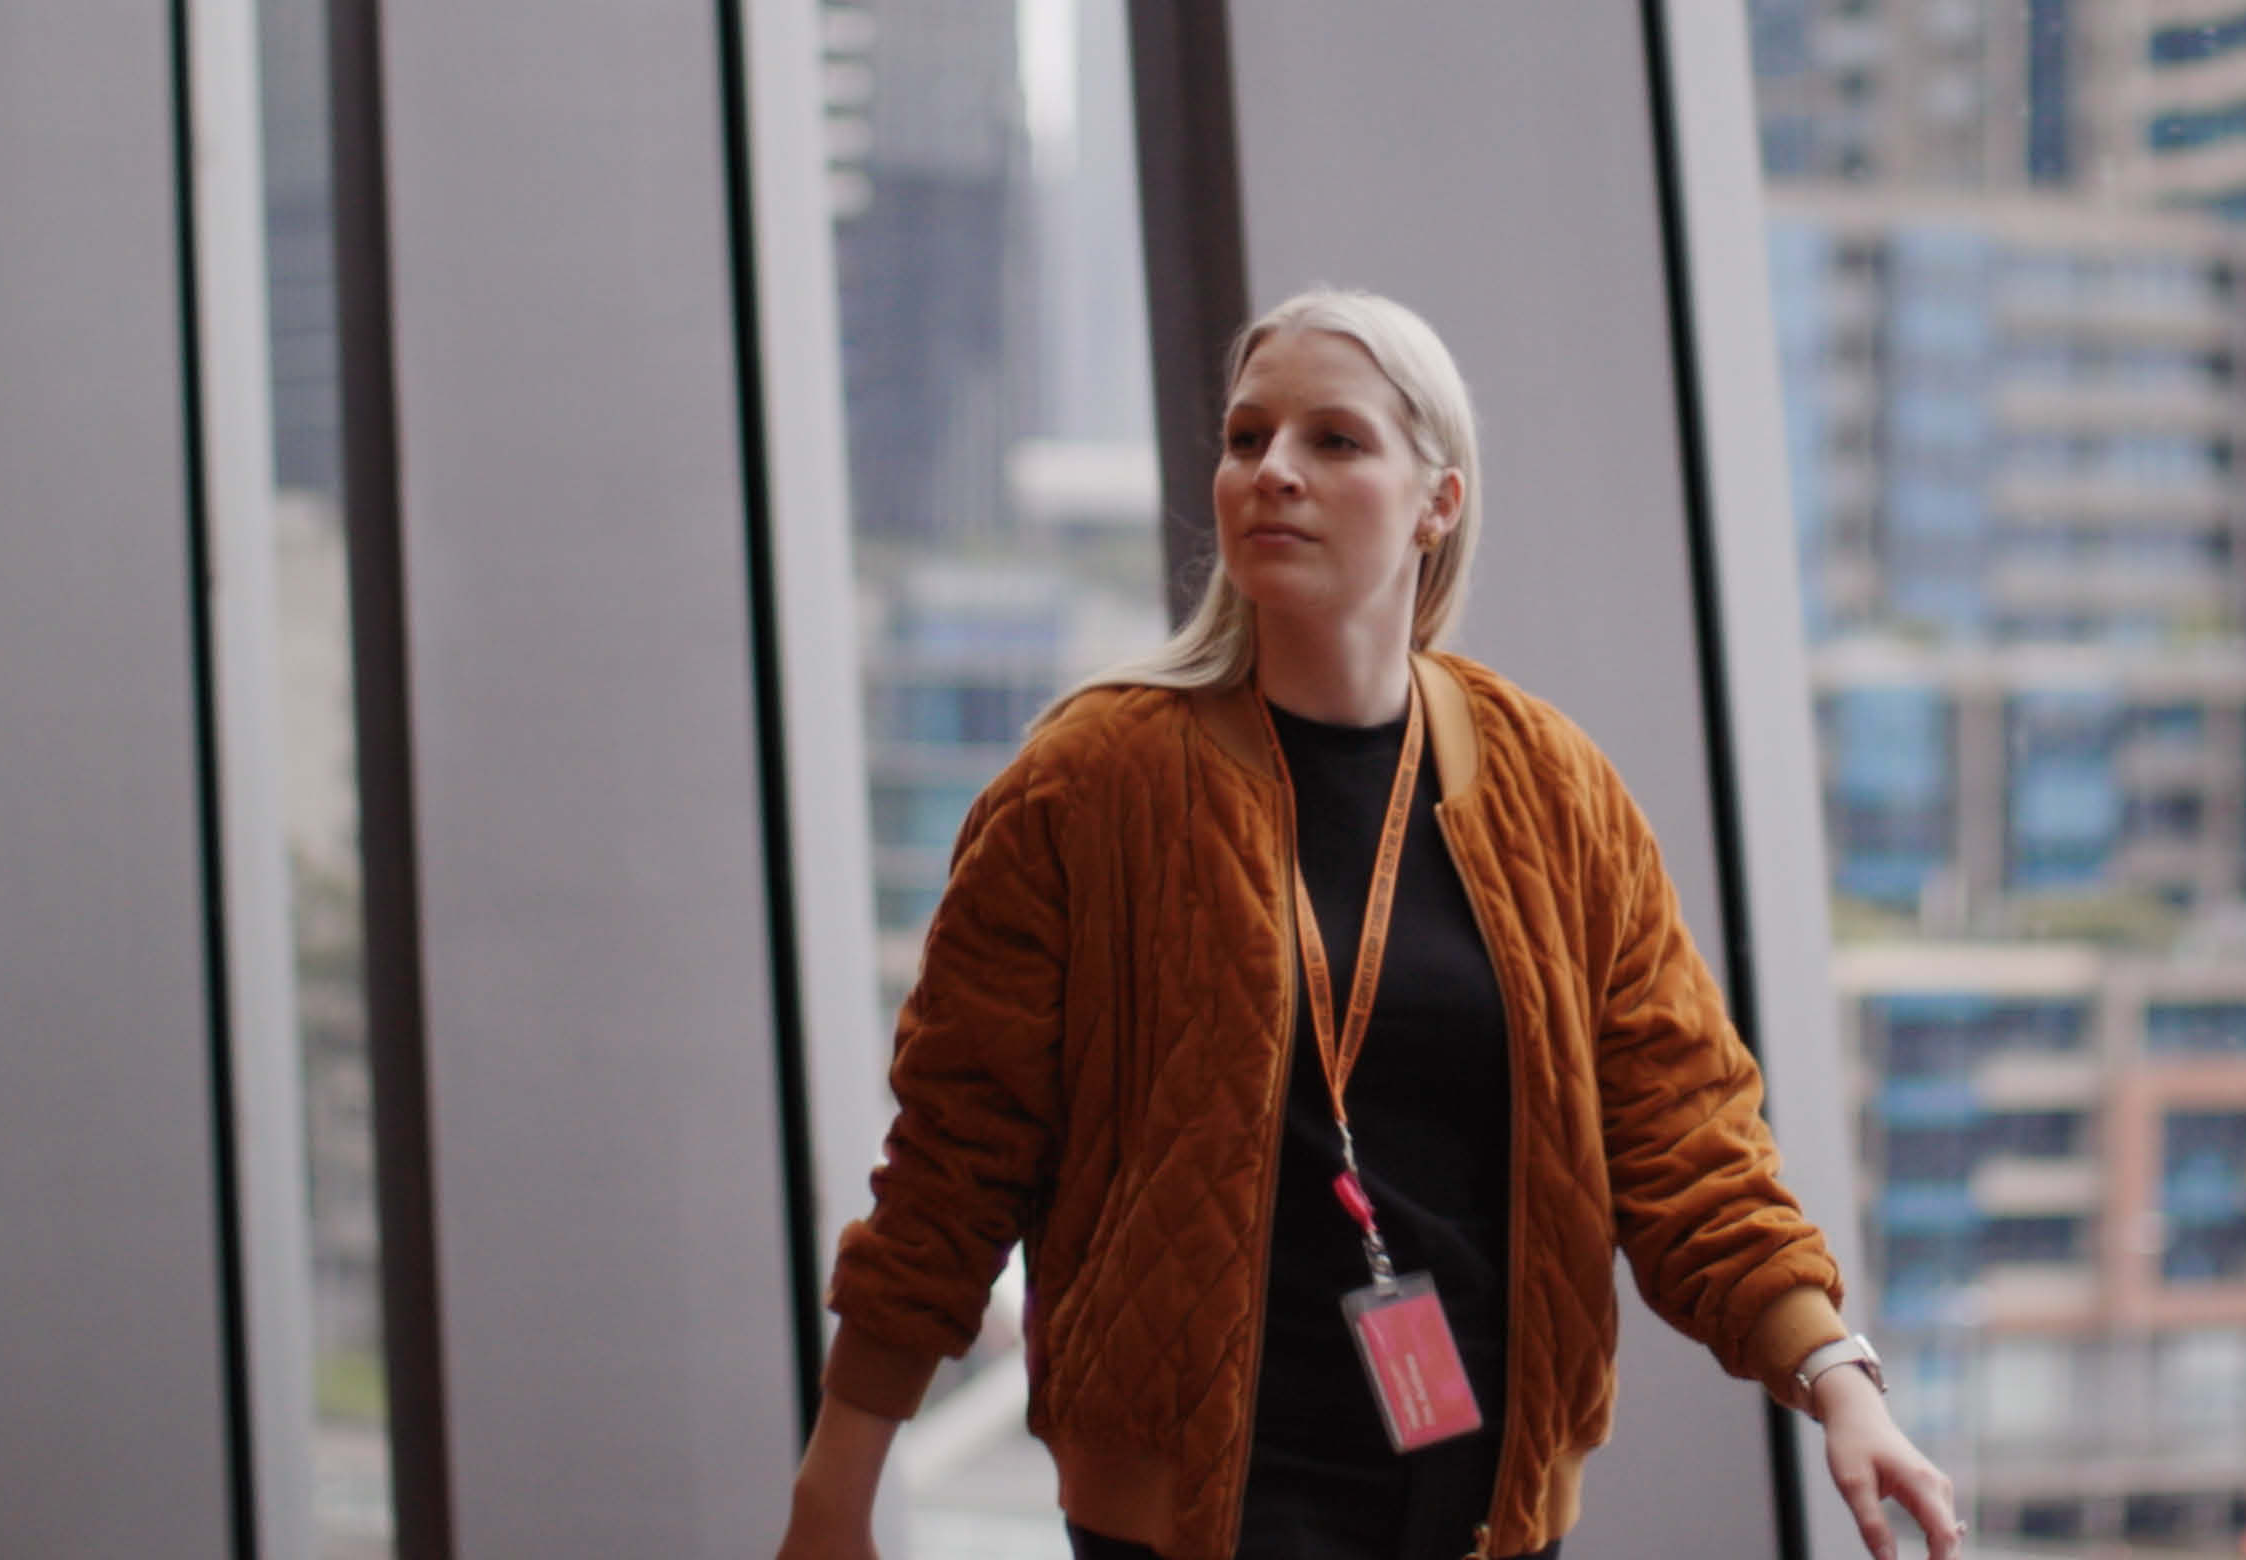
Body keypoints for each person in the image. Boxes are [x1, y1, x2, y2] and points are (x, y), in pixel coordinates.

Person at [776, 288, 1962, 1560]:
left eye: (1332, 442)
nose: (1271, 470)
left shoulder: (1549, 786)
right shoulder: (1091, 783)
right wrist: (837, 1486)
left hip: (1483, 1500)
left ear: (1436, 502)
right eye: (1246, 439)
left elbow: (1684, 1134)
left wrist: (1833, 1374)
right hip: (1191, 1516)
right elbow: (956, 1160)